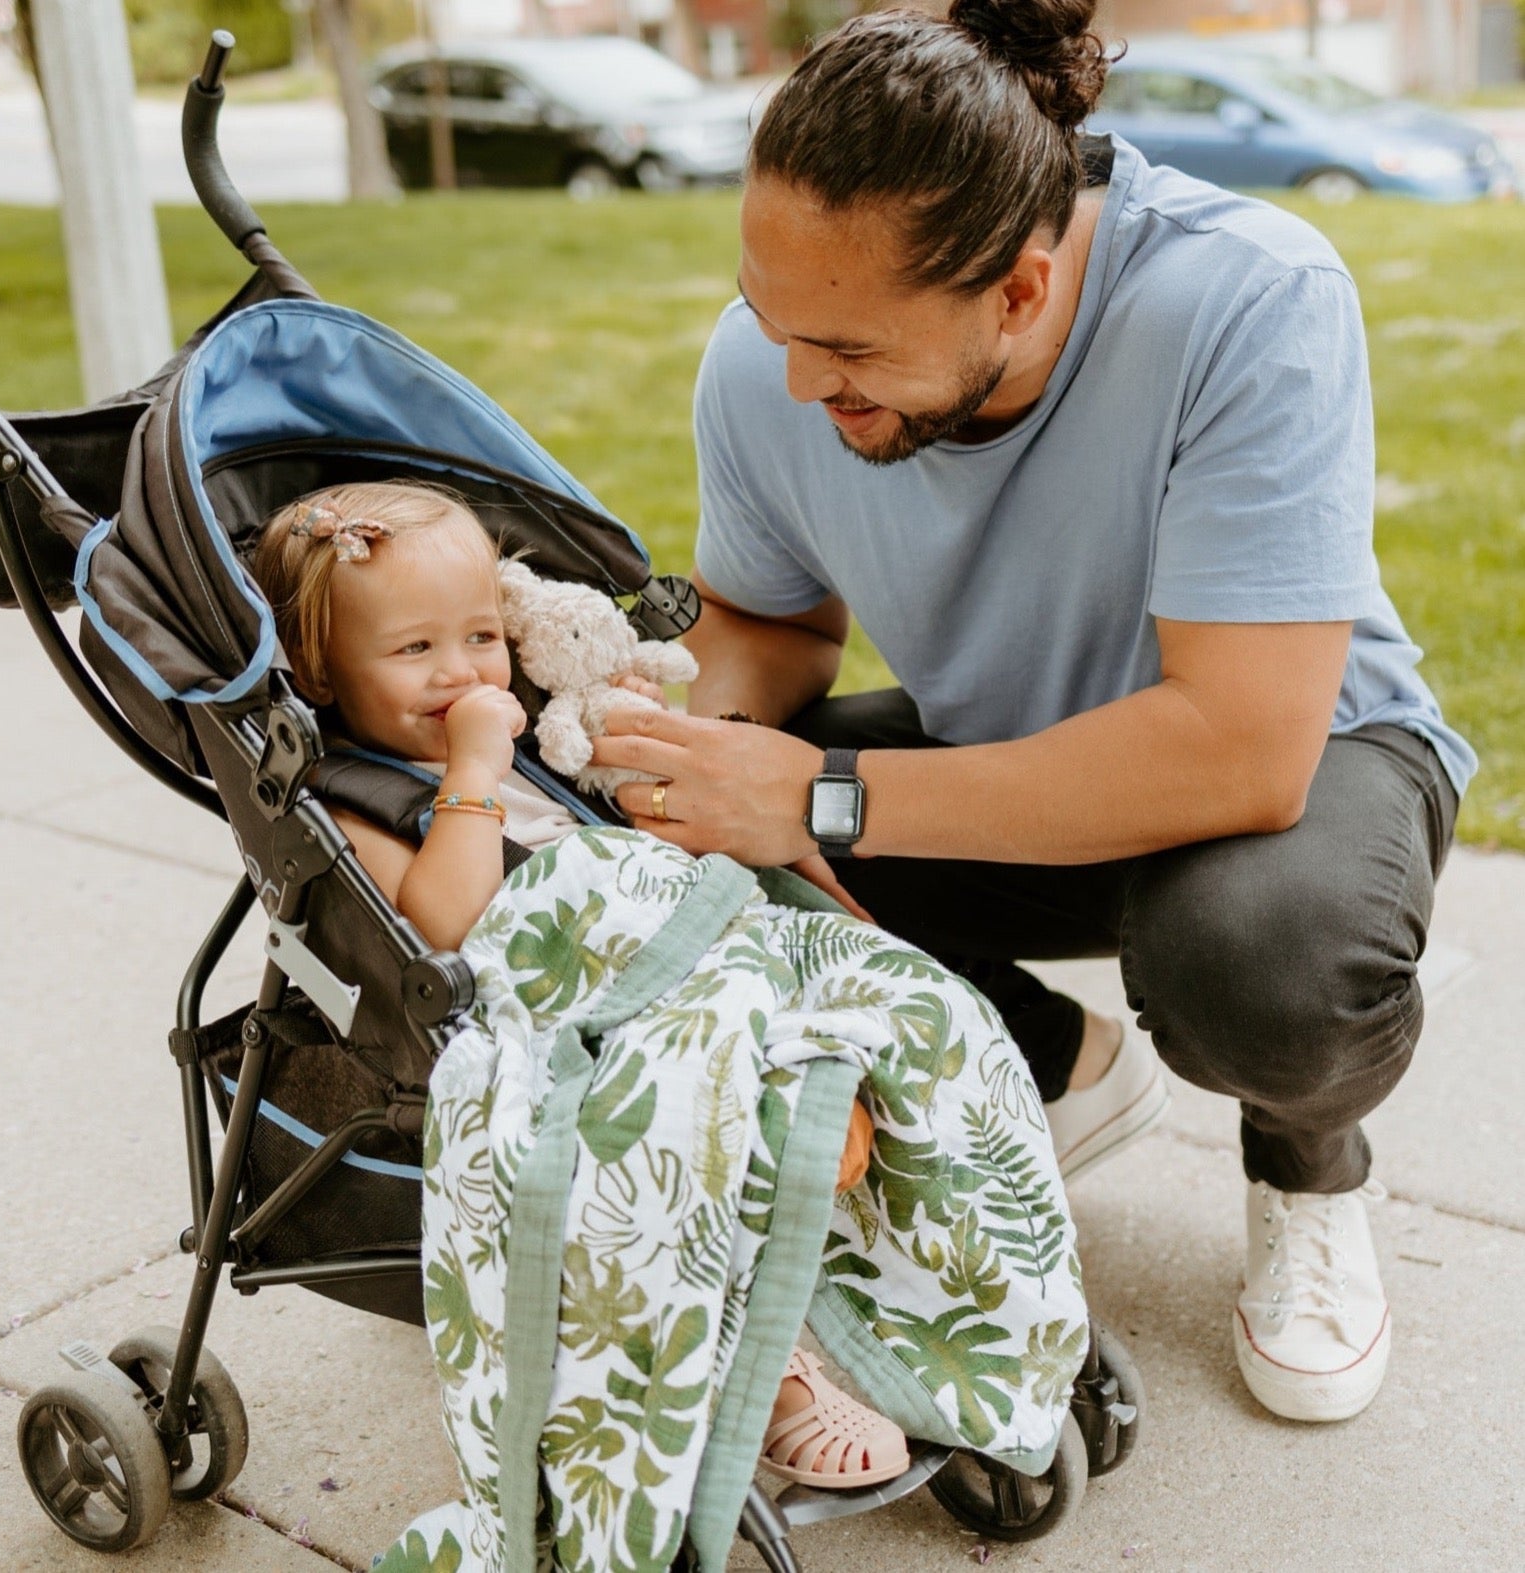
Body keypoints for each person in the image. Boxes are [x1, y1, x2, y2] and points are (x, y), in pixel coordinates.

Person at [588, 0, 1474, 1424]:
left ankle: (1305, 1167)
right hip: (1005, 764)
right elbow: (768, 618)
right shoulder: (776, 362)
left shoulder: (1247, 297)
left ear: (1016, 290)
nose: (802, 380)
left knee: (1258, 962)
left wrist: (814, 793)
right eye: (774, 321)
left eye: (851, 351)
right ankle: (1054, 1064)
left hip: (1302, 775)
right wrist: (689, 747)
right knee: (687, 854)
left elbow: (1241, 748)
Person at [251, 479, 912, 1488]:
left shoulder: (533, 746)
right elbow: (445, 924)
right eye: (413, 648)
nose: (460, 671)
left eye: (479, 636)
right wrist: (472, 771)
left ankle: (881, 1285)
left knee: (879, 1022)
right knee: (723, 1130)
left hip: (663, 965)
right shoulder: (356, 806)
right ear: (321, 671)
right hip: (556, 1030)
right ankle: (763, 1363)